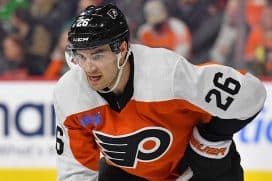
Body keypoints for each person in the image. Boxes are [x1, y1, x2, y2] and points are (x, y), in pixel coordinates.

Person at [54, 4, 267, 181]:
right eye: (80, 56)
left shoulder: (167, 74)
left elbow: (252, 93)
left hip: (198, 171)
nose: (88, 68)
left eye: (97, 55)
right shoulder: (70, 93)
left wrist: (210, 138)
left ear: (122, 49)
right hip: (130, 173)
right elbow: (76, 172)